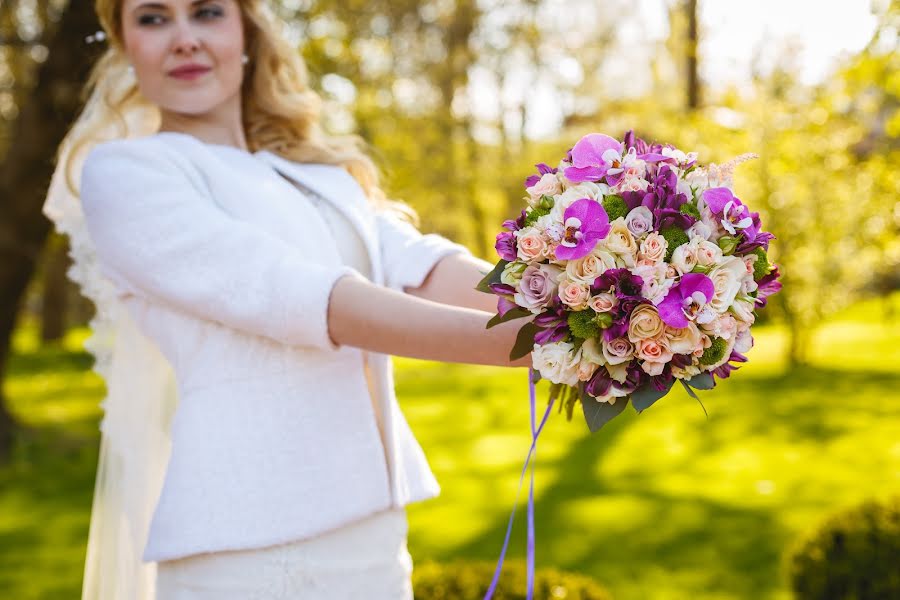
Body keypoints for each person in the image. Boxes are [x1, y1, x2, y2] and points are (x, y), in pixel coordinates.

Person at [42, 0, 530, 598]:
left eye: (206, 13)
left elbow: (422, 264)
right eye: (153, 18)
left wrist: (578, 308)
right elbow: (304, 298)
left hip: (373, 535)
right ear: (124, 45)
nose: (184, 39)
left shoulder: (316, 172)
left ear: (247, 30)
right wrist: (528, 347)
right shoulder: (126, 174)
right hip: (248, 542)